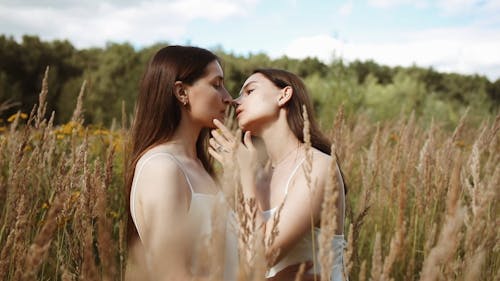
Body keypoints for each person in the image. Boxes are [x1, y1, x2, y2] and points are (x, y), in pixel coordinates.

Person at [209, 68, 348, 281]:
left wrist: (246, 177)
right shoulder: (259, 175)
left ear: (284, 95)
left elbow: (257, 261)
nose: (236, 101)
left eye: (249, 91)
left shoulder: (318, 166)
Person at [124, 45, 236, 280]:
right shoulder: (162, 168)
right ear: (181, 92)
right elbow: (171, 274)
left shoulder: (200, 166)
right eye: (216, 85)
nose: (228, 97)